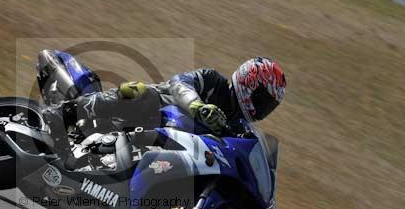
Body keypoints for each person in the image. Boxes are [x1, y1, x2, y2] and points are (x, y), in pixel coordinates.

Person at [43, 56, 286, 160]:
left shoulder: (237, 125)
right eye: (262, 99)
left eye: (269, 106)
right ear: (248, 83)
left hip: (170, 150)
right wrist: (198, 106)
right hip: (154, 112)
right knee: (137, 91)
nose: (263, 109)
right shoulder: (213, 81)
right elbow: (180, 83)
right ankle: (62, 113)